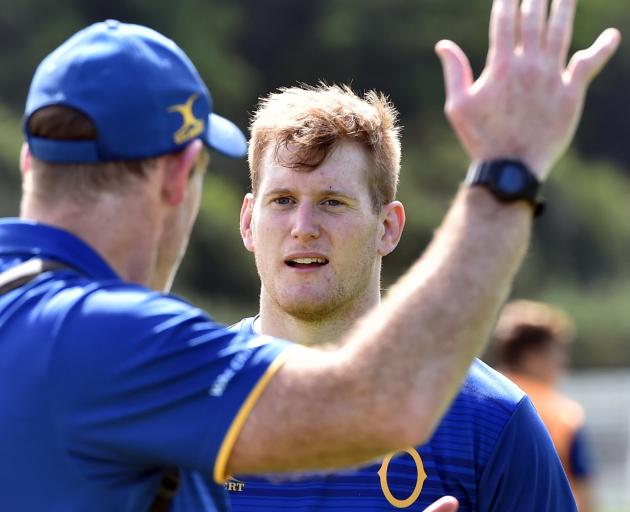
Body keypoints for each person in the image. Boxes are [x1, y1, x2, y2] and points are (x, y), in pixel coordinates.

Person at [0, 0, 617, 507]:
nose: (302, 227)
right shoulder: (139, 352)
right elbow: (378, 401)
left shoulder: (496, 421)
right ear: (180, 177)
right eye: (282, 201)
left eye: (332, 202)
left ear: (31, 161)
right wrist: (507, 173)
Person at [494, 300, 596, 511]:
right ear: (532, 357)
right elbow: (585, 490)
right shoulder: (563, 414)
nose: (562, 362)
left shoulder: (481, 402)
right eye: (555, 352)